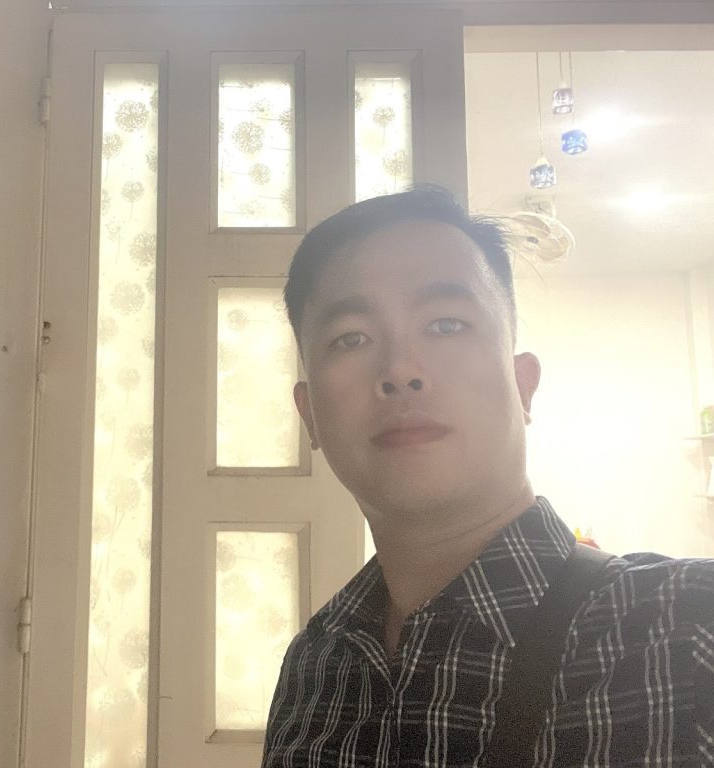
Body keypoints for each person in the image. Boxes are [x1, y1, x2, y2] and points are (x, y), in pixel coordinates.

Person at [261, 186, 714, 767]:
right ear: (310, 415)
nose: (400, 369)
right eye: (351, 338)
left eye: (446, 324)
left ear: (524, 385)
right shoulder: (313, 663)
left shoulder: (688, 626)